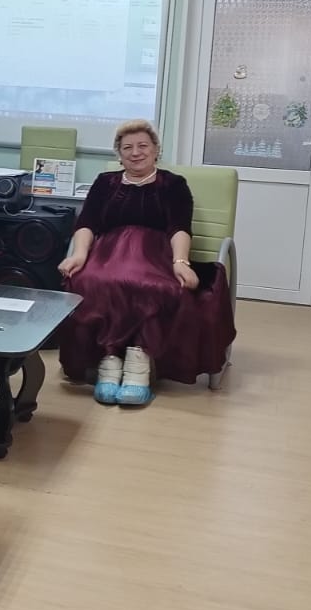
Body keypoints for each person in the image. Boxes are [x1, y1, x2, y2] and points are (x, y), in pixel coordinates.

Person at [56, 120, 236, 407]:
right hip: (108, 254)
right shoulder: (105, 182)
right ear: (119, 154)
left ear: (155, 150)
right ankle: (109, 360)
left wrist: (180, 261)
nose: (135, 152)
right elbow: (87, 222)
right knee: (88, 281)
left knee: (157, 287)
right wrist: (78, 254)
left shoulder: (173, 184)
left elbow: (179, 227)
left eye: (143, 146)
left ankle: (138, 362)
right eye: (127, 147)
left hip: (154, 255)